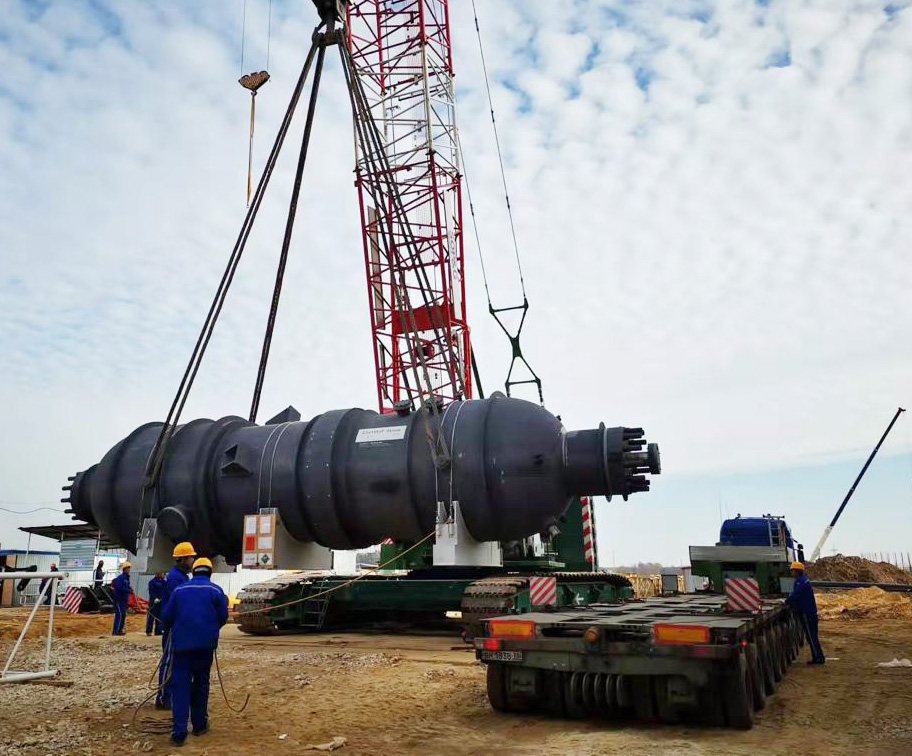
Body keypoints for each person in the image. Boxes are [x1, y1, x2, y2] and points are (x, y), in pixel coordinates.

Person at [161, 557, 228, 747]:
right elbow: (223, 617)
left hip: (182, 647)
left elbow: (166, 616)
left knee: (180, 686)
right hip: (205, 647)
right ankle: (199, 725)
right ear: (210, 572)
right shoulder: (216, 591)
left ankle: (179, 732)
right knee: (201, 683)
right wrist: (209, 629)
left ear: (194, 571)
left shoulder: (179, 590)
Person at [156, 542, 197, 710]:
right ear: (182, 559)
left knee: (177, 662)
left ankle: (171, 696)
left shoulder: (181, 577)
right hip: (174, 626)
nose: (193, 560)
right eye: (190, 557)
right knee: (169, 661)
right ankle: (163, 697)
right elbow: (176, 605)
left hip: (180, 625)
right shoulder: (175, 579)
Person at [786, 561, 825, 665]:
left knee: (811, 637)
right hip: (810, 612)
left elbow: (796, 595)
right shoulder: (804, 581)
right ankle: (818, 657)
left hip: (806, 613)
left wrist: (787, 601)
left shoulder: (800, 582)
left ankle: (818, 658)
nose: (791, 573)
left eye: (792, 570)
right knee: (812, 636)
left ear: (797, 571)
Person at [111, 562, 133, 635]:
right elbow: (119, 588)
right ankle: (115, 631)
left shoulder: (127, 578)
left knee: (123, 614)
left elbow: (126, 586)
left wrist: (130, 588)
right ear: (125, 569)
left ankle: (120, 630)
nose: (129, 570)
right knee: (119, 614)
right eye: (128, 568)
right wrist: (128, 590)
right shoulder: (120, 578)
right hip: (119, 599)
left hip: (124, 599)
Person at [147, 571, 166, 636]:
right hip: (154, 602)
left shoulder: (163, 582)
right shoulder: (152, 582)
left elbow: (165, 591)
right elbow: (151, 591)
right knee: (151, 617)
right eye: (162, 573)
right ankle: (149, 631)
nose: (163, 575)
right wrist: (155, 598)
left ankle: (158, 631)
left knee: (159, 617)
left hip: (161, 602)